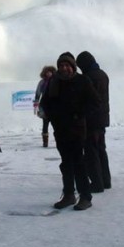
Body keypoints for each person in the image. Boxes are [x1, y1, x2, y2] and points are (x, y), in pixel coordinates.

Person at [40, 52, 100, 211]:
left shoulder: (82, 81)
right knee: (66, 164)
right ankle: (68, 195)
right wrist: (52, 116)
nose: (63, 68)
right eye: (61, 65)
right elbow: (45, 102)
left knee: (79, 163)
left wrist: (79, 115)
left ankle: (85, 196)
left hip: (77, 130)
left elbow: (95, 102)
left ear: (73, 67)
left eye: (67, 65)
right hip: (60, 130)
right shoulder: (54, 81)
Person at [76, 51, 111, 192]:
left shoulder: (89, 77)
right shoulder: (102, 74)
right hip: (102, 119)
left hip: (91, 120)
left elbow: (89, 99)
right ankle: (106, 180)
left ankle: (96, 183)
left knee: (91, 152)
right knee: (101, 150)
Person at [33, 65, 56, 147]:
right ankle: (45, 142)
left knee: (56, 125)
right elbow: (37, 94)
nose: (48, 74)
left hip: (54, 106)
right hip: (44, 106)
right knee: (45, 124)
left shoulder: (56, 81)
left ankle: (59, 140)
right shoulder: (42, 82)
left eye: (50, 72)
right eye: (47, 72)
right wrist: (35, 106)